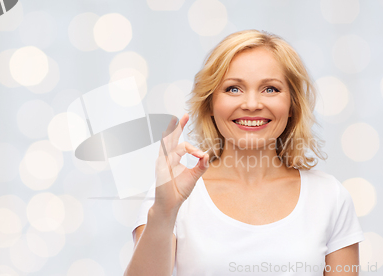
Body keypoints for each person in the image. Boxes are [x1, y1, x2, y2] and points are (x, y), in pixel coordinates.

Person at [124, 29, 364, 276]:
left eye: (270, 89)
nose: (251, 104)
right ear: (210, 105)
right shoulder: (171, 193)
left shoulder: (329, 196)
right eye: (233, 89)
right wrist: (164, 213)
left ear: (292, 105)